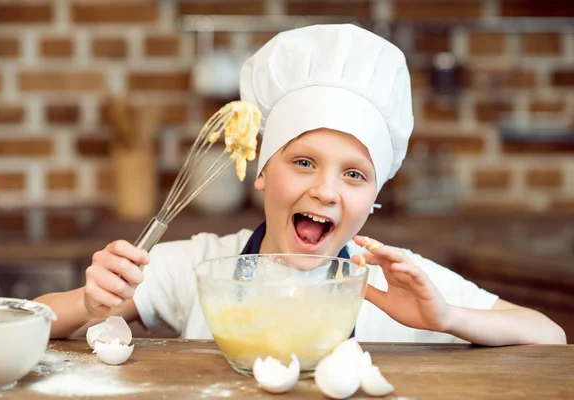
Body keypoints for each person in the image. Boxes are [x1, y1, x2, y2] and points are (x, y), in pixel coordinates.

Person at [35, 24, 566, 345]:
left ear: (374, 198)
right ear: (262, 172)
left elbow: (550, 335)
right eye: (305, 162)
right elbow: (38, 318)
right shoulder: (201, 267)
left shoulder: (398, 286)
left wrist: (447, 318)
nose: (327, 191)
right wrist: (89, 302)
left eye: (354, 174)